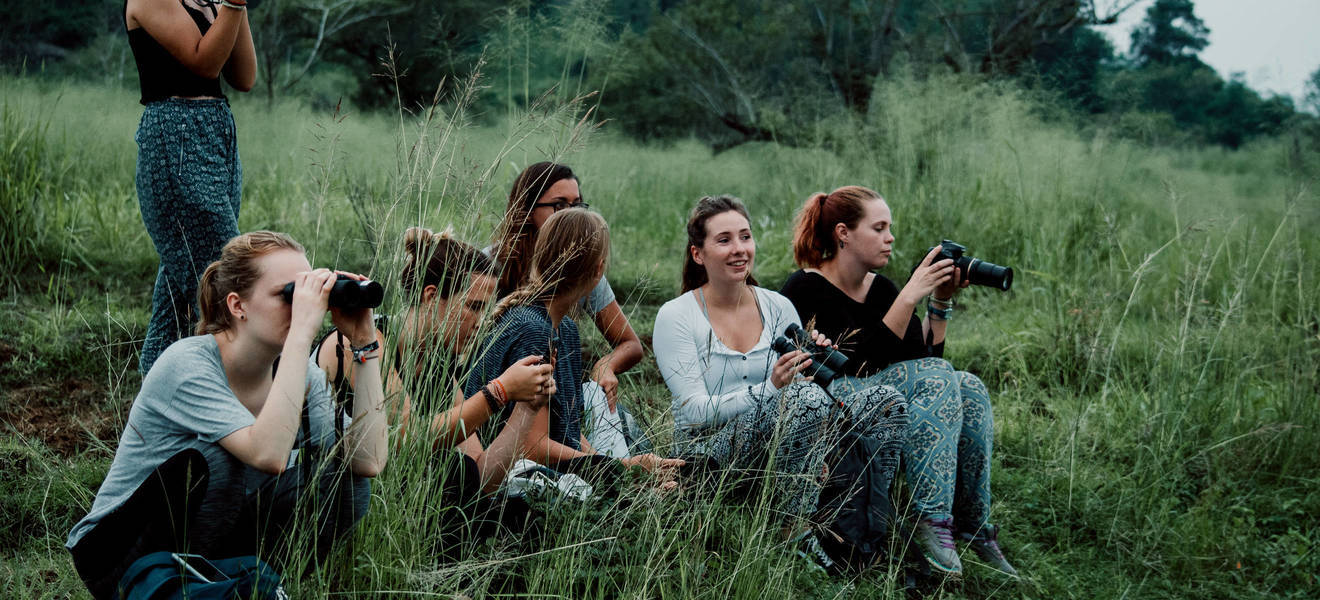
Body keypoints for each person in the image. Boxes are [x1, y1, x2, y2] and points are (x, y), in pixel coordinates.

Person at [67, 231, 387, 599]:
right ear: (238, 306)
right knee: (221, 458)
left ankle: (251, 586)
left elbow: (368, 460)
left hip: (210, 533)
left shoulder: (300, 374)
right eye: (289, 294)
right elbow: (268, 455)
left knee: (346, 484)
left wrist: (365, 344)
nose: (302, 305)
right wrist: (302, 333)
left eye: (307, 292)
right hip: (116, 553)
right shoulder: (187, 364)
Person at [779, 185, 1017, 578]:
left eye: (889, 228)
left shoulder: (882, 289)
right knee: (938, 376)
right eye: (879, 228)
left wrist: (939, 300)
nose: (890, 237)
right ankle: (931, 519)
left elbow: (926, 365)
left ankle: (974, 525)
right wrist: (908, 299)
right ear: (843, 233)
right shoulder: (804, 287)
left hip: (893, 397)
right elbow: (855, 365)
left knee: (968, 386)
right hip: (839, 407)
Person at [652, 195, 908, 522]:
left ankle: (864, 520)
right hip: (706, 454)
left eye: (745, 237)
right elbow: (696, 412)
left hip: (780, 447)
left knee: (886, 401)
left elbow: (805, 396)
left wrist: (812, 366)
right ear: (697, 254)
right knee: (804, 398)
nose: (739, 249)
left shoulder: (777, 306)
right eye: (724, 240)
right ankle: (792, 528)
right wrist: (774, 386)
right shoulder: (676, 315)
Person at [314, 227, 555, 496]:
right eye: (474, 306)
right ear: (430, 296)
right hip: (324, 500)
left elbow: (481, 479)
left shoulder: (437, 366)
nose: (481, 323)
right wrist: (500, 391)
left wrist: (526, 409)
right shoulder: (360, 340)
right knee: (451, 470)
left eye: (486, 309)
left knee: (462, 472)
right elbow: (407, 438)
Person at [469, 208, 682, 484]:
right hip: (503, 476)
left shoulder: (565, 329)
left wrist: (613, 471)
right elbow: (532, 447)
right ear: (598, 270)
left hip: (557, 469)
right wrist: (623, 467)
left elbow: (568, 429)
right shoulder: (534, 331)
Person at [125, 0, 257, 374]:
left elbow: (244, 77)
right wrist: (233, 4)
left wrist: (234, 7)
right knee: (225, 281)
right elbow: (204, 62)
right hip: (176, 137)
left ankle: (154, 399)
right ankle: (250, 393)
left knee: (180, 292)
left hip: (218, 133)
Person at [490, 162, 646, 456]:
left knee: (610, 415)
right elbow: (531, 444)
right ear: (526, 211)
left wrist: (605, 365)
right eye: (559, 205)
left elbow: (630, 344)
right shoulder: (489, 271)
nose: (571, 214)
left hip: (545, 422)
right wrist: (610, 467)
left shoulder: (567, 325)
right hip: (498, 428)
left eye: (577, 205)